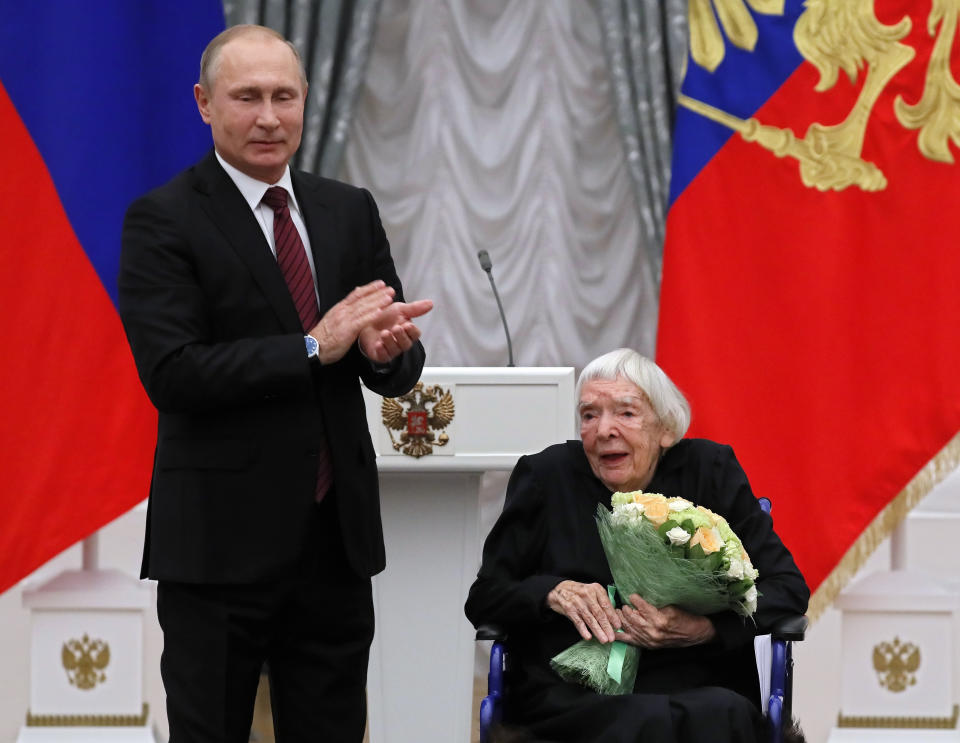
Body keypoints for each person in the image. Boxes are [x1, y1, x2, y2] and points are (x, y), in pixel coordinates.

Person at [117, 24, 432, 742]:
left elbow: (391, 362)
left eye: (284, 96)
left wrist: (383, 351)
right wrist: (311, 347)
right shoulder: (163, 220)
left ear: (307, 99)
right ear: (204, 103)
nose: (268, 116)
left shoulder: (347, 208)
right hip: (217, 549)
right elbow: (174, 373)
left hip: (334, 545)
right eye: (247, 97)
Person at [465, 349, 809, 743]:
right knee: (642, 722)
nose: (604, 430)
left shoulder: (709, 472)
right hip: (575, 697)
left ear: (665, 428)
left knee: (714, 714)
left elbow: (787, 588)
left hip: (698, 684)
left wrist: (704, 628)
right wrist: (551, 593)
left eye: (625, 413)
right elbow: (485, 597)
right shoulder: (546, 477)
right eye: (590, 415)